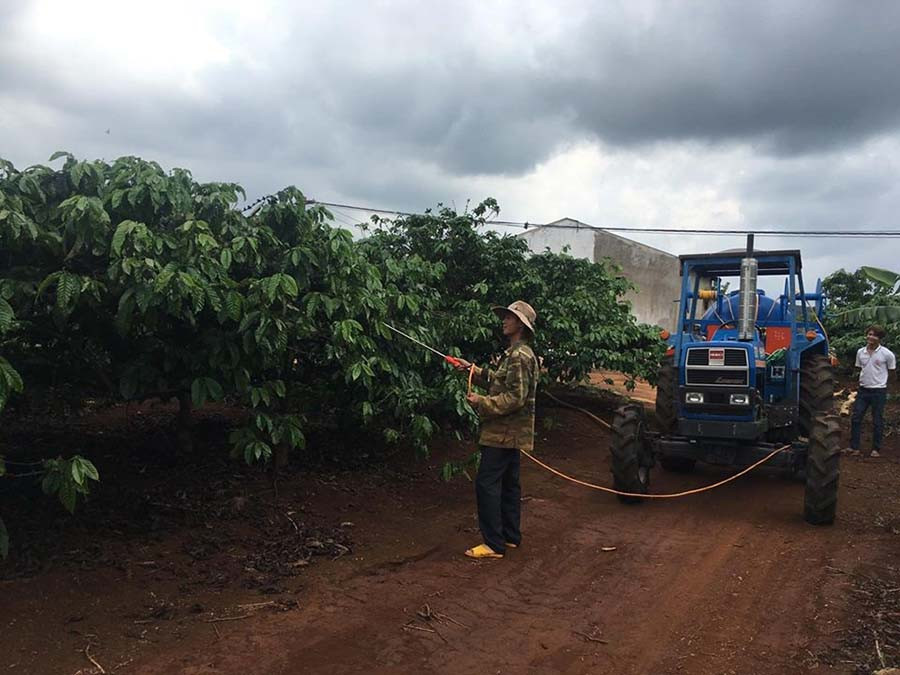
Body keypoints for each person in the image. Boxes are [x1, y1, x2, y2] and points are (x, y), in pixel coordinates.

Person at [454, 301, 538, 560]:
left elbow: (516, 397)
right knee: (509, 484)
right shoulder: (514, 354)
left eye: (510, 318)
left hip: (503, 433)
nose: (504, 321)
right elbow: (498, 381)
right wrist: (471, 370)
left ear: (520, 325)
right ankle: (510, 537)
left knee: (487, 483)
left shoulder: (520, 356)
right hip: (508, 432)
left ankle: (493, 544)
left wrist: (482, 402)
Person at [846, 325, 896, 458]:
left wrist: (885, 386)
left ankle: (876, 449)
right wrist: (856, 385)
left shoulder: (887, 354)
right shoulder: (860, 352)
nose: (870, 337)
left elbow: (892, 372)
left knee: (877, 420)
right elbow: (858, 369)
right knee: (856, 418)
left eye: (874, 335)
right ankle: (854, 447)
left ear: (879, 338)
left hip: (878, 391)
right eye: (869, 334)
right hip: (863, 390)